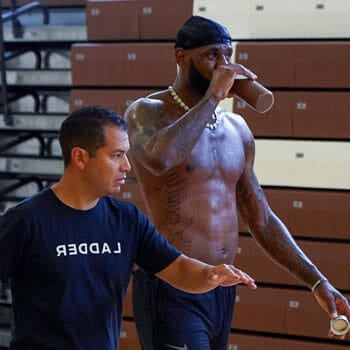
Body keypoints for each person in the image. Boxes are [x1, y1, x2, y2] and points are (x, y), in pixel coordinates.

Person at [124, 15, 350, 350]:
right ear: (181, 58)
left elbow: (261, 217)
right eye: (211, 55)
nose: (222, 65)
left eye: (227, 55)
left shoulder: (237, 129)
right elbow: (160, 159)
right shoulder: (147, 110)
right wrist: (214, 96)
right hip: (172, 285)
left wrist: (316, 280)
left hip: (221, 287)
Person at [0, 106, 257, 350]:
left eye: (126, 154)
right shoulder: (26, 221)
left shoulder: (126, 219)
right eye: (116, 155)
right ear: (80, 157)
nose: (127, 166)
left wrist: (210, 274)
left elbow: (176, 266)